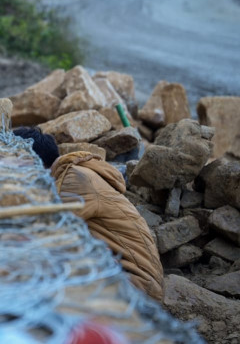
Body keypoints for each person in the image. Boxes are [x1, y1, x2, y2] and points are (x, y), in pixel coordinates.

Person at [13, 127, 165, 301]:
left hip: (137, 284)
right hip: (124, 276)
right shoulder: (66, 177)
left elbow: (47, 233)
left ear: (30, 161)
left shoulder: (75, 178)